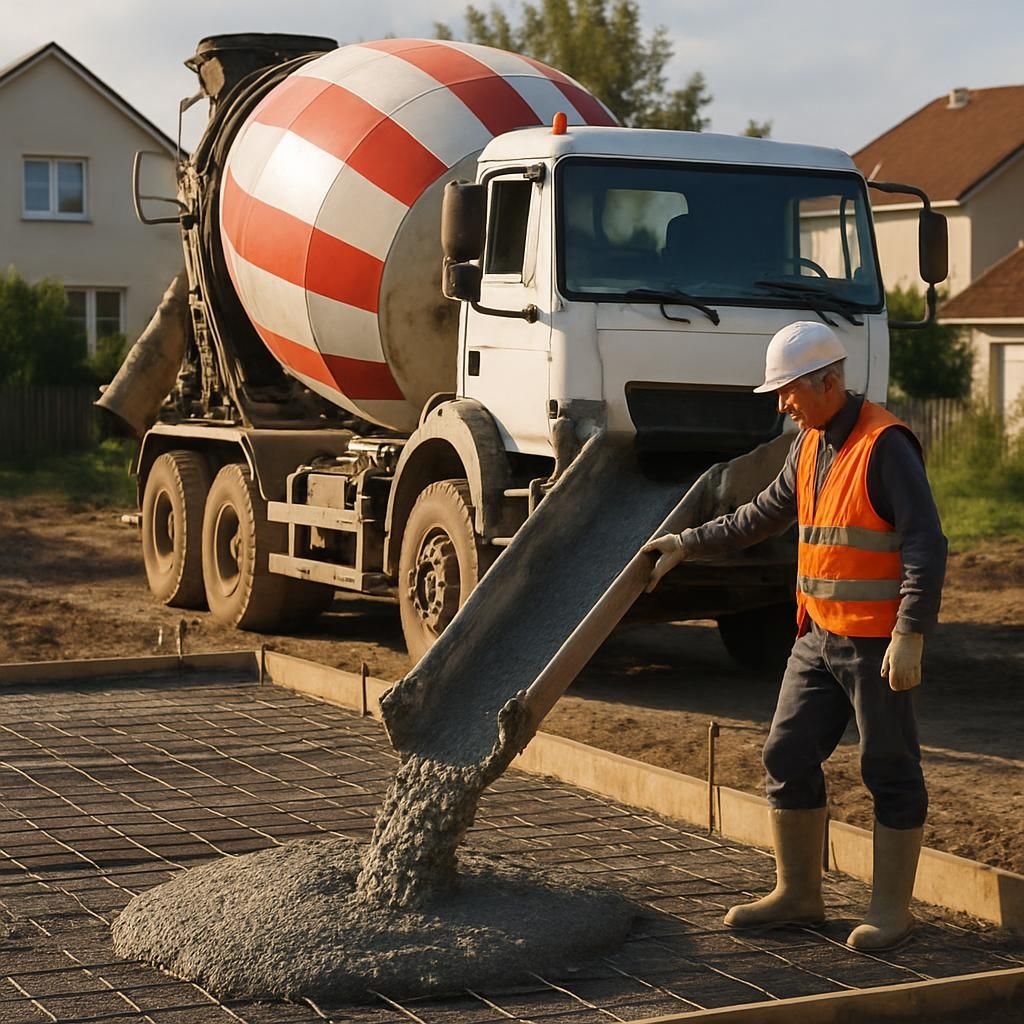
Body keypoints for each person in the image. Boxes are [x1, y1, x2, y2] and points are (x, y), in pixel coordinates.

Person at [643, 320, 946, 951]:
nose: (781, 403)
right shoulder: (806, 444)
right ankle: (800, 897)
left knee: (888, 767)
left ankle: (892, 912)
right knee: (786, 754)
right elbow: (762, 515)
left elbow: (925, 542)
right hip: (817, 638)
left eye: (787, 390)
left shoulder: (885, 444)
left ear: (829, 382)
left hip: (874, 642)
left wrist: (911, 632)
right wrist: (687, 544)